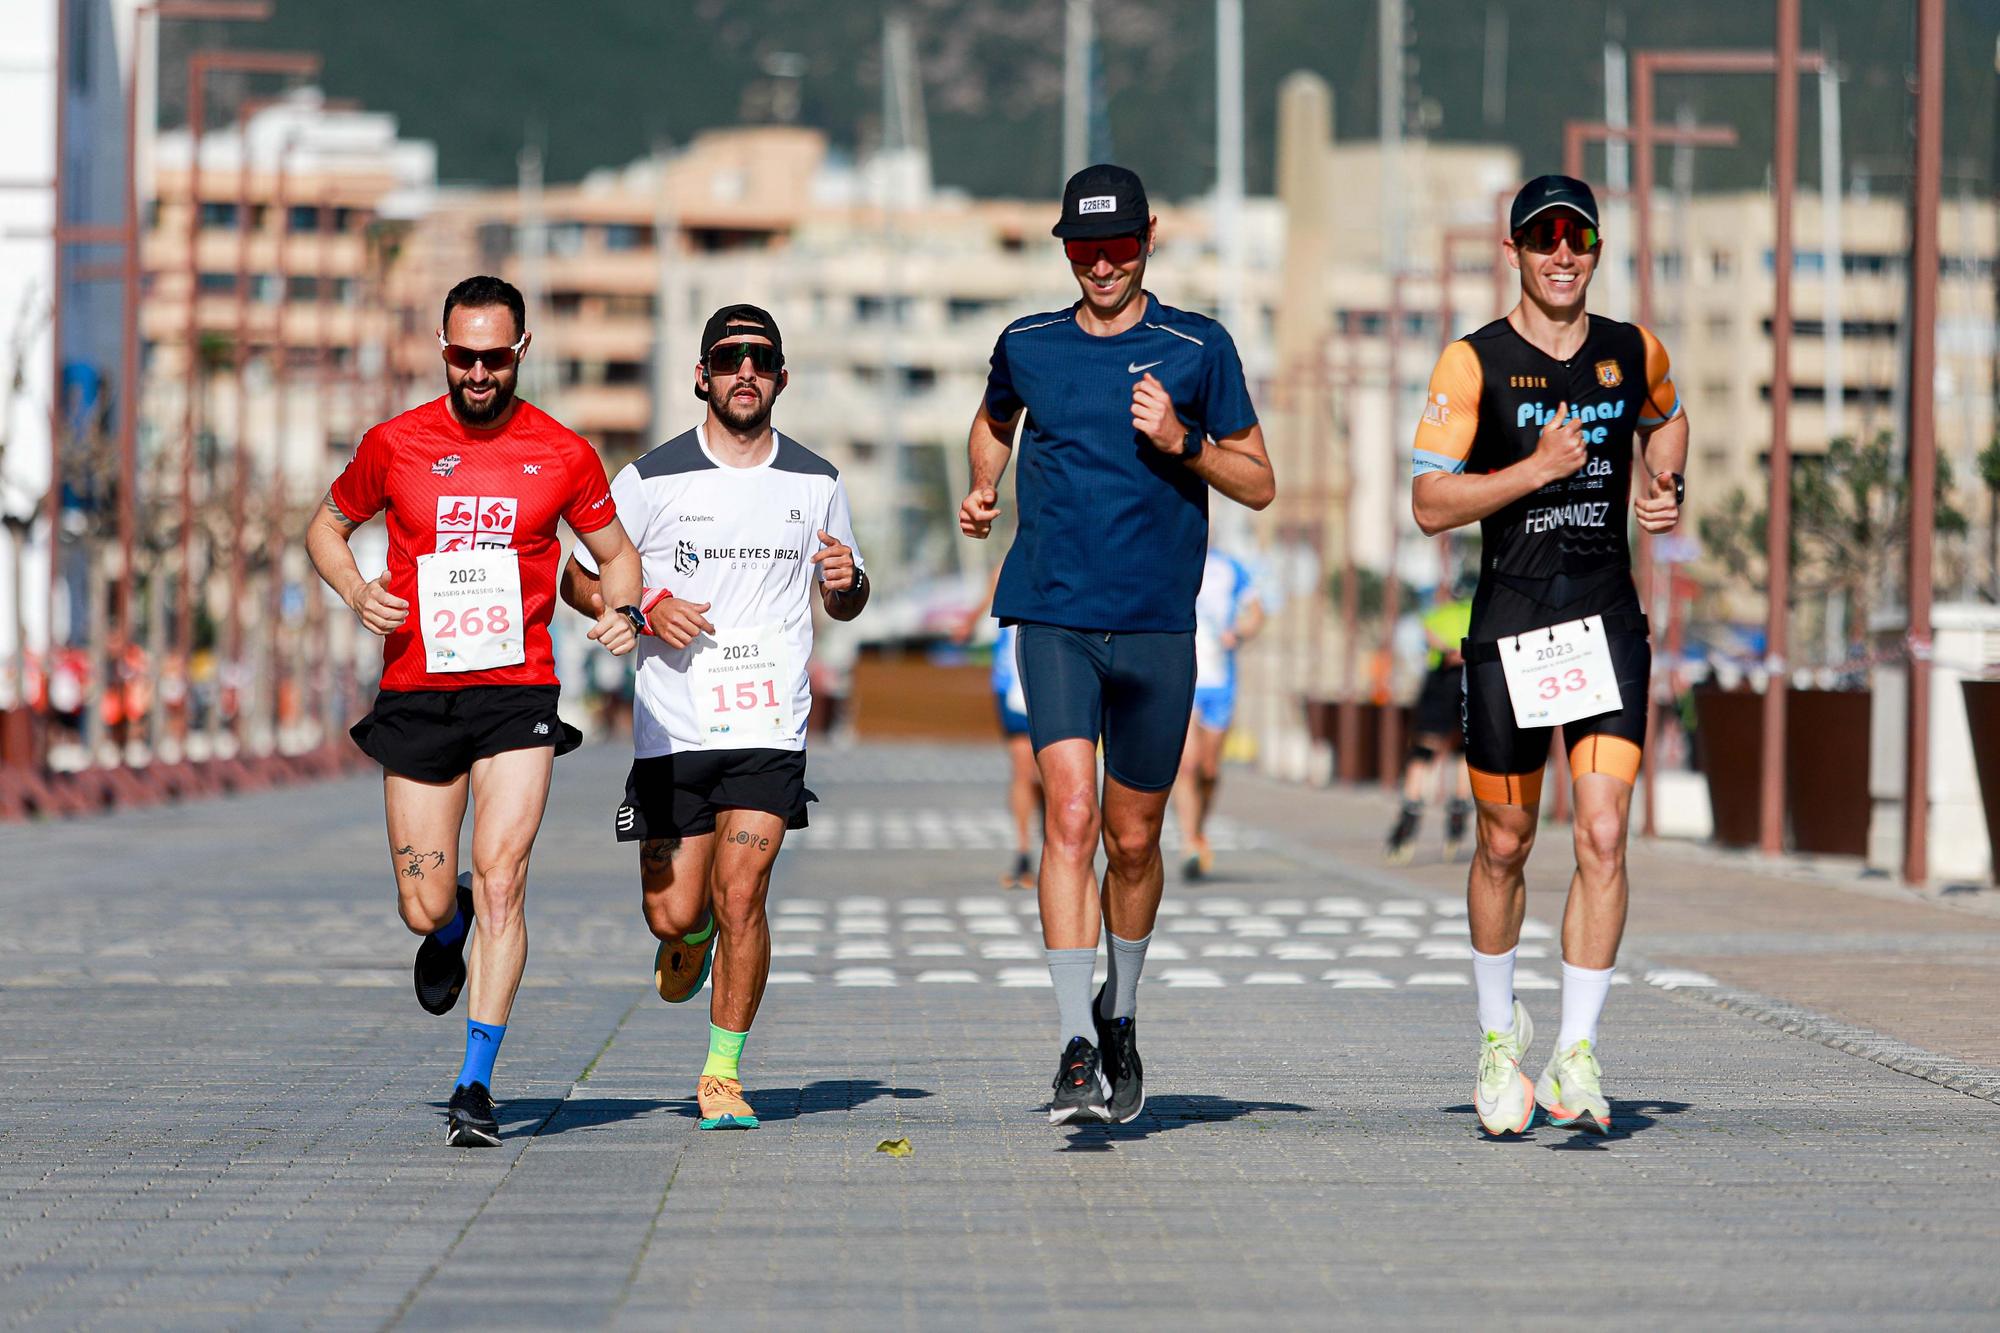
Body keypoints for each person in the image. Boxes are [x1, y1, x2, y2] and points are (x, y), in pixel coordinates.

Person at [958, 164, 1274, 1126]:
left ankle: (1122, 1011)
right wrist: (983, 486)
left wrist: (1183, 440)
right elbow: (990, 423)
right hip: (1052, 612)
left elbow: (1258, 482)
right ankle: (1073, 1046)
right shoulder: (1028, 344)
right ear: (1065, 249)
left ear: (1147, 244)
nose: (1102, 263)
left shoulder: (1198, 346)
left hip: (1156, 627)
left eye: (1119, 246)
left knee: (1134, 840)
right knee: (1069, 815)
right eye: (1085, 248)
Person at [305, 275, 644, 1147]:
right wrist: (357, 593)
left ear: (522, 350)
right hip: (418, 689)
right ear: (444, 350)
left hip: (516, 692)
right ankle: (443, 922)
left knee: (503, 876)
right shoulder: (396, 443)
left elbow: (616, 555)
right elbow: (324, 528)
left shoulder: (563, 453)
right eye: (465, 356)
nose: (480, 371)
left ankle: (476, 1084)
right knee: (425, 905)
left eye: (497, 356)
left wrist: (623, 611)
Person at [1409, 176, 1687, 1137]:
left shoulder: (1631, 348)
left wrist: (1665, 478)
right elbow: (1429, 502)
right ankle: (1498, 1041)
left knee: (1604, 833)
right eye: (1543, 238)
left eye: (1579, 238)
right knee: (1505, 842)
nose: (1562, 254)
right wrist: (1534, 469)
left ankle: (1576, 1052)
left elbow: (1669, 414)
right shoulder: (1473, 361)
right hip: (1511, 628)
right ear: (1515, 250)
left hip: (1606, 619)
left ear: (1597, 248)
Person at [560, 304, 867, 1132]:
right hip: (676, 725)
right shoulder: (650, 479)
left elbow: (847, 597)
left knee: (745, 895)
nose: (744, 371)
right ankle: (684, 939)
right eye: (728, 358)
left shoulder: (817, 481)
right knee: (674, 909)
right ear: (701, 375)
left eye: (760, 359)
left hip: (769, 724)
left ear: (780, 379)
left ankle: (723, 1072)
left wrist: (843, 582)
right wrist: (649, 603)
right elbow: (578, 579)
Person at [1175, 541, 1264, 881]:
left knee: (1210, 770)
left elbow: (1256, 612)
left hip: (1221, 680)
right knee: (1189, 764)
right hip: (1185, 676)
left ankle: (1199, 829)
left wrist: (1240, 632)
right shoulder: (1173, 554)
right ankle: (1188, 842)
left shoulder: (1230, 567)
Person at [956, 565, 1040, 890]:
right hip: (1013, 680)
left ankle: (1056, 844)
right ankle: (1023, 852)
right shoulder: (1007, 566)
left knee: (1051, 773)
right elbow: (987, 602)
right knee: (1024, 770)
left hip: (1054, 675)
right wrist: (967, 625)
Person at [1385, 582, 1474, 865]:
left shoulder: (1434, 614)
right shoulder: (1477, 610)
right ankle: (1458, 816)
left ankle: (1408, 819)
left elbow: (1421, 639)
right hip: (1470, 678)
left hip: (1441, 680)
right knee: (1463, 751)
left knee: (1423, 751)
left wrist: (1445, 648)